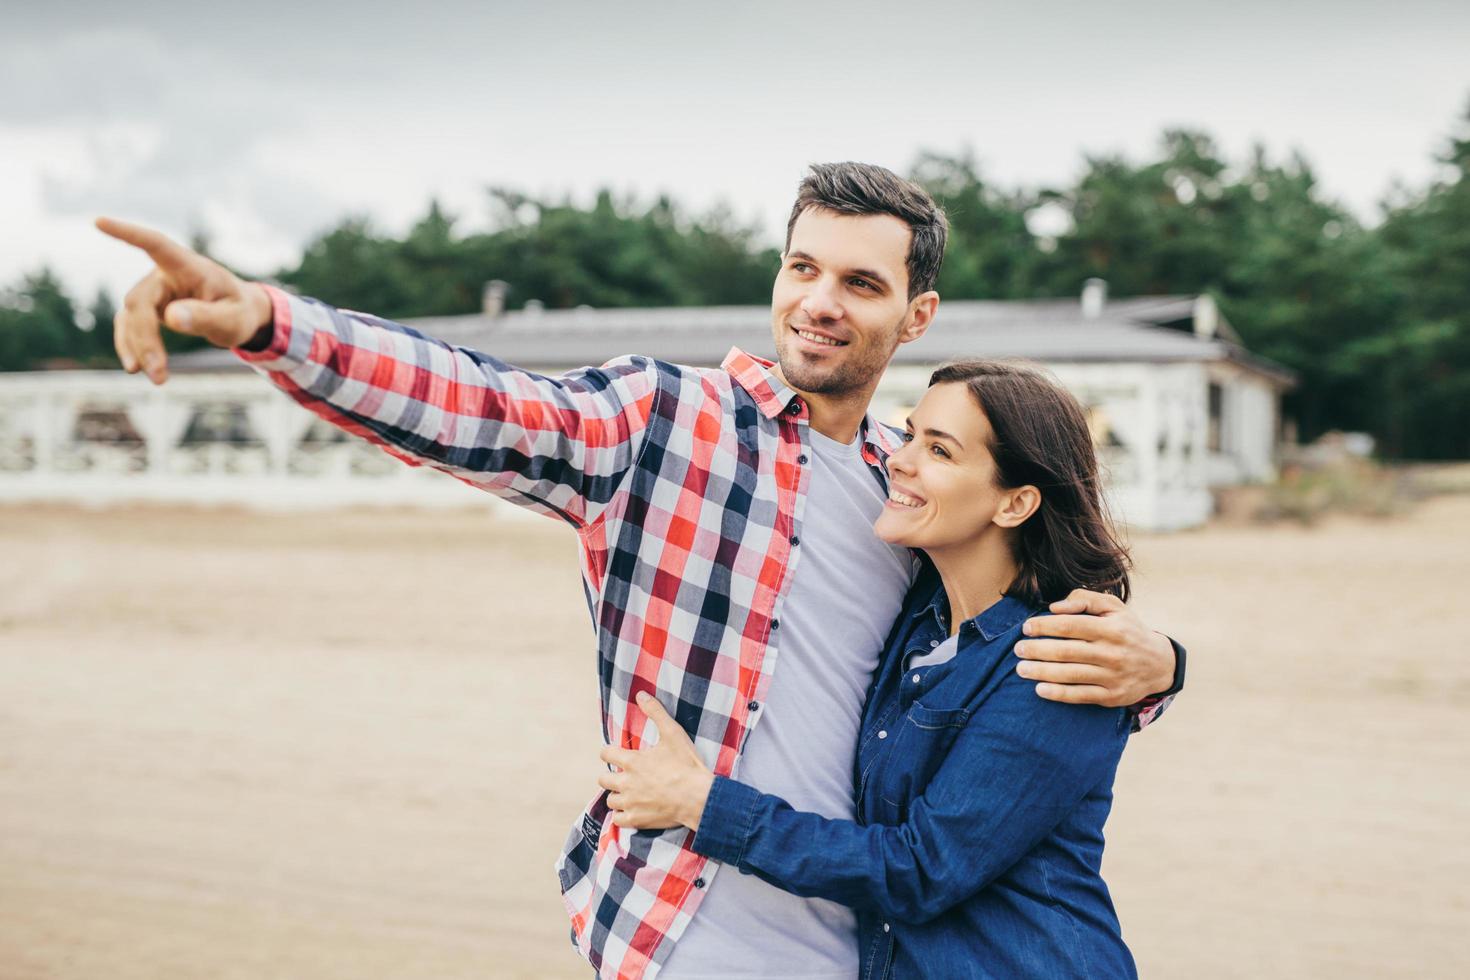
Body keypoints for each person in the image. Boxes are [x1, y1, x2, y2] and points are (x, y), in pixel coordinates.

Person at [97, 162, 1183, 980]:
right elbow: (475, 404)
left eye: (861, 281)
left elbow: (998, 652)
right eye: (802, 266)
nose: (820, 300)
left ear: (917, 315)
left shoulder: (909, 484)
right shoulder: (663, 421)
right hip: (685, 924)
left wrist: (1163, 663)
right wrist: (269, 322)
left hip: (864, 944)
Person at [601, 360, 1144, 978]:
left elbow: (918, 871)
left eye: (938, 450)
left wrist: (702, 803)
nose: (901, 459)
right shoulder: (921, 621)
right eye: (910, 433)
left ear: (1015, 503)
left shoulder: (1056, 661)